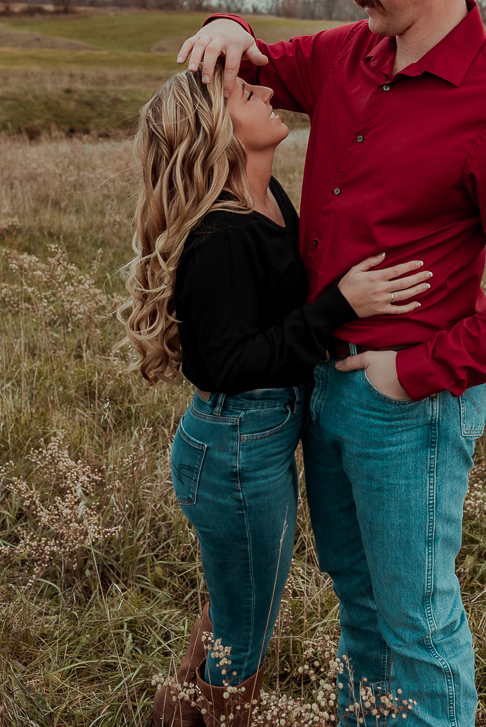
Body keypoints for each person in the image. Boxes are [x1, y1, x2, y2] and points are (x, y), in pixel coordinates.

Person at [175, 0, 486, 727]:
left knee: (419, 624)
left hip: (410, 407)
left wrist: (418, 372)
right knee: (359, 610)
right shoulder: (346, 57)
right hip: (323, 382)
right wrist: (223, 22)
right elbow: (247, 69)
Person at [120, 65, 430, 726]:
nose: (267, 91)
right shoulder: (220, 235)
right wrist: (338, 307)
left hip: (258, 439)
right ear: (218, 132)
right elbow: (231, 363)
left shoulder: (271, 200)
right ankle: (214, 715)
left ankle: (174, 715)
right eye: (245, 93)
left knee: (238, 608)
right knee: (246, 633)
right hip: (236, 446)